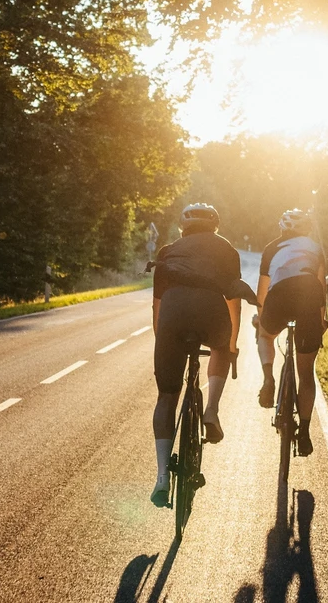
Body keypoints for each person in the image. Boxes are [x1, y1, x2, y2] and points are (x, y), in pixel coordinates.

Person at [149, 203, 243, 507]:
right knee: (219, 348)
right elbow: (234, 300)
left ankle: (162, 476)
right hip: (212, 312)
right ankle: (212, 409)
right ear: (214, 226)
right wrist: (230, 344)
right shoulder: (227, 249)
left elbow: (157, 308)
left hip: (172, 317)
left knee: (166, 395)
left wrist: (164, 343)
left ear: (182, 227)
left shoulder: (167, 251)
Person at [254, 208, 327, 456]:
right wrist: (321, 321)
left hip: (279, 299)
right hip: (308, 301)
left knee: (265, 335)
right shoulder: (316, 249)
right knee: (306, 374)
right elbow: (321, 289)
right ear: (306, 229)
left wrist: (261, 317)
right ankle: (304, 431)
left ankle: (268, 378)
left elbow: (262, 291)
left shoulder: (271, 248)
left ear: (283, 228)